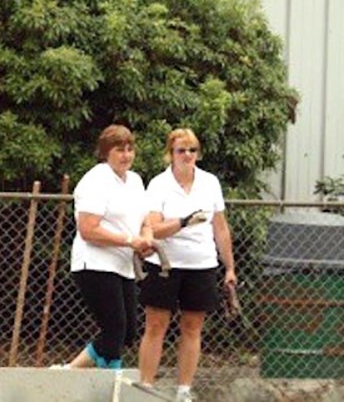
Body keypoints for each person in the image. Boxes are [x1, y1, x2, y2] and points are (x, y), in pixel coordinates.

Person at [137, 128, 236, 402]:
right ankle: (145, 386)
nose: (188, 155)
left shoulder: (210, 183)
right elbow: (153, 228)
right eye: (181, 150)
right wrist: (183, 222)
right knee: (156, 324)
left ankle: (184, 390)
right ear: (171, 154)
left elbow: (221, 228)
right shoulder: (158, 184)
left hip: (201, 263)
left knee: (192, 326)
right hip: (165, 263)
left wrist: (229, 267)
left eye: (192, 150)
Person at [53, 124, 153, 370]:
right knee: (115, 327)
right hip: (95, 263)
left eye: (130, 149)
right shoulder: (96, 180)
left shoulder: (135, 181)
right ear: (106, 152)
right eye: (120, 150)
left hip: (123, 265)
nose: (126, 155)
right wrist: (130, 241)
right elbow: (89, 229)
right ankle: (111, 381)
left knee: (128, 332)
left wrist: (146, 237)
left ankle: (70, 371)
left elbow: (145, 219)